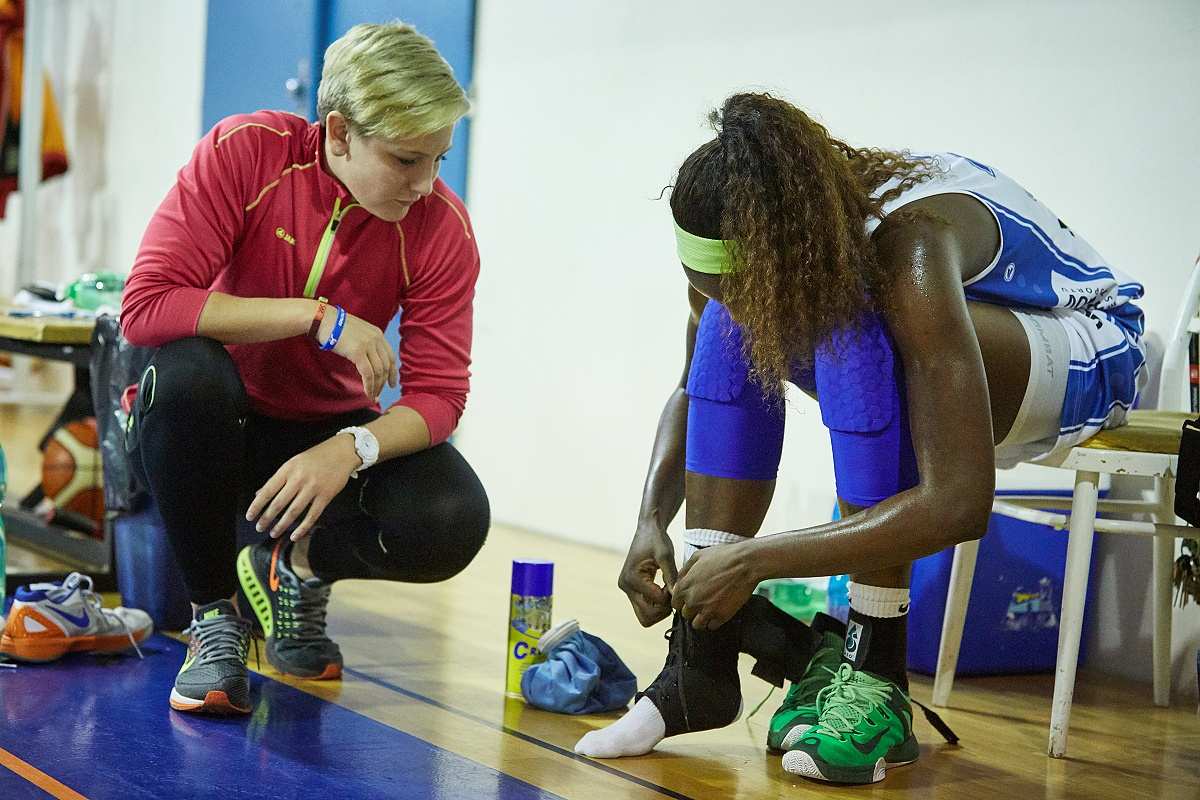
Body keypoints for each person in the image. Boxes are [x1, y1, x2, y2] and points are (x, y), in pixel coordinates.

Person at [580, 93, 1145, 784]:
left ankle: (875, 671)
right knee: (731, 331)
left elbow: (960, 501)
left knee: (853, 328)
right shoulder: (749, 249)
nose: (723, 301)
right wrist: (650, 520)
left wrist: (755, 562)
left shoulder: (910, 242)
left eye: (737, 288)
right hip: (962, 348)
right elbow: (690, 386)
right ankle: (701, 662)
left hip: (1091, 351)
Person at [120, 21, 489, 715]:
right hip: (208, 423)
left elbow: (440, 397)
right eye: (407, 160)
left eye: (440, 158)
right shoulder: (245, 150)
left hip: (321, 435)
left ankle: (295, 567)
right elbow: (146, 307)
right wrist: (316, 317)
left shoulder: (442, 226)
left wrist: (351, 448)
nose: (425, 184)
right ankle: (214, 620)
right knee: (190, 373)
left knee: (453, 515)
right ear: (340, 133)